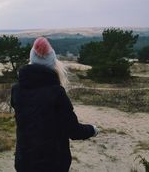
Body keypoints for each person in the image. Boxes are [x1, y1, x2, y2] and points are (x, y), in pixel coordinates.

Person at [11, 37, 99, 172]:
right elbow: (74, 131)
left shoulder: (16, 90)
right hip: (53, 164)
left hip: (24, 162)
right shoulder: (57, 93)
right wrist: (93, 130)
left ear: (31, 59)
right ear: (52, 62)